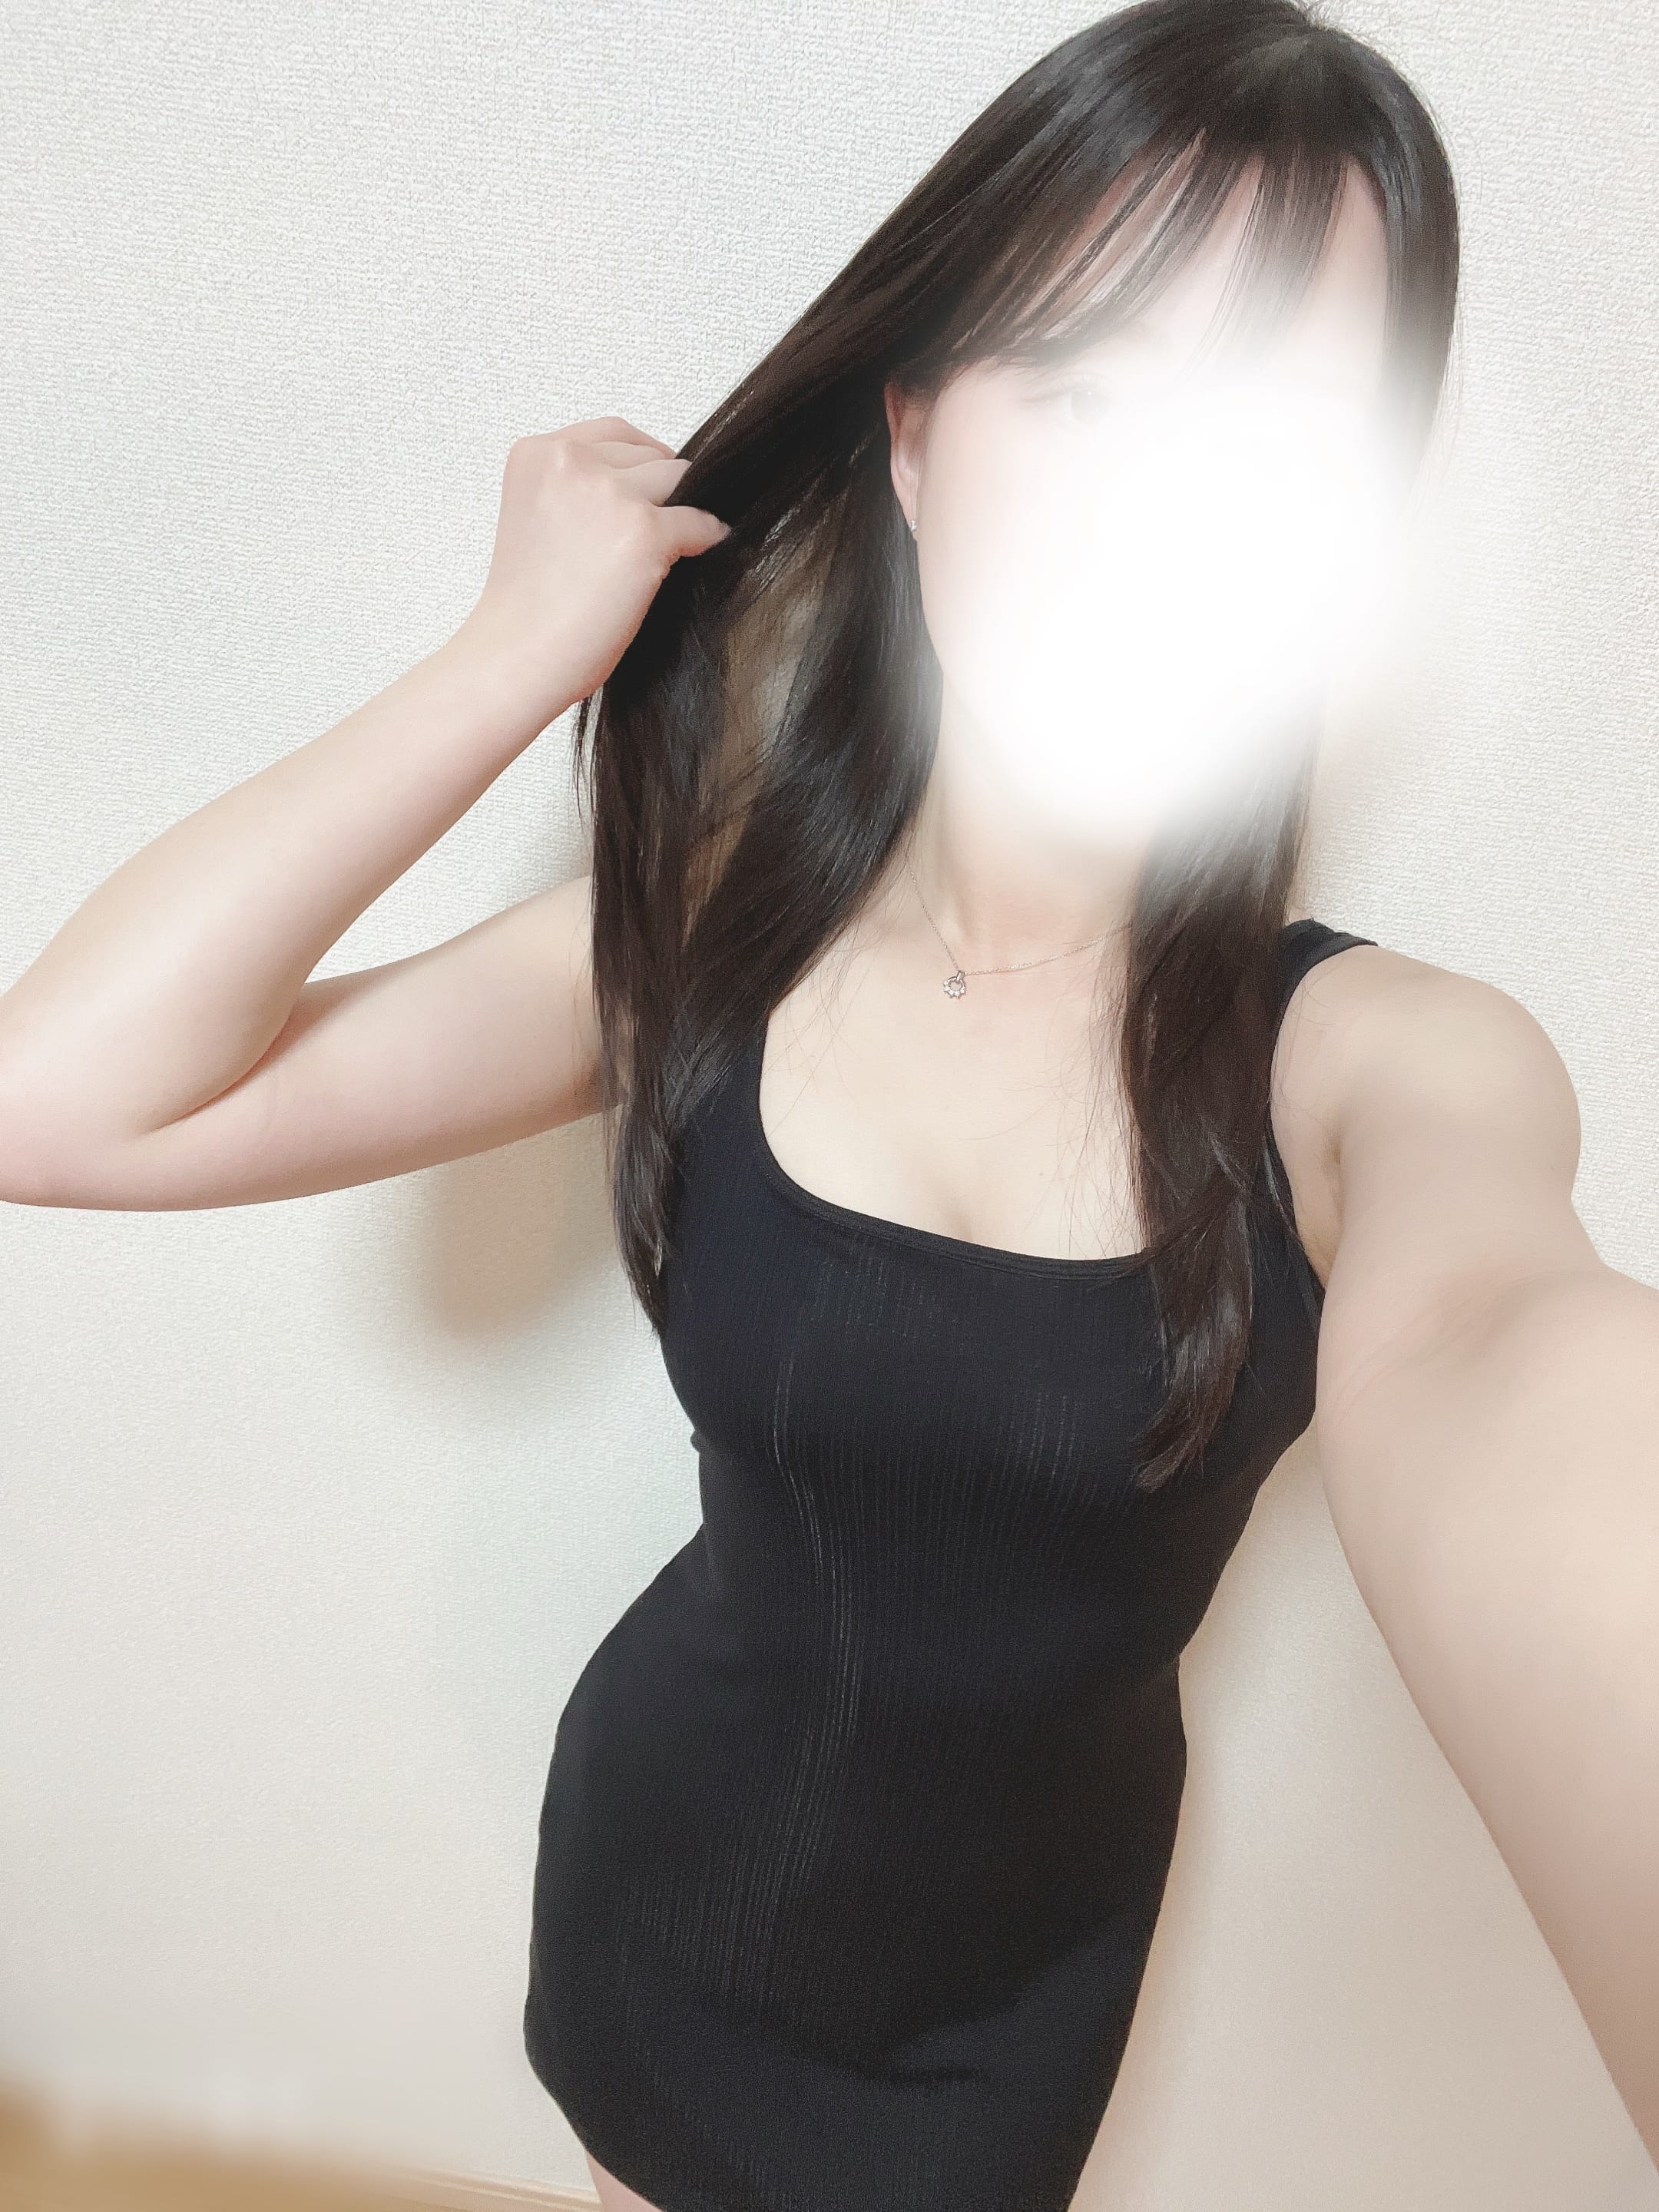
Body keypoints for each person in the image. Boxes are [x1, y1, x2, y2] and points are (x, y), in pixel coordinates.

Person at [4, 2, 1656, 2205]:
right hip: (654, 1894)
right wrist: (513, 655)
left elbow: (1531, 1382)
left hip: (995, 2031)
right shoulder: (708, 945)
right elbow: (62, 1105)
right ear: (916, 434)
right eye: (1083, 388)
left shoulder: (1387, 1067)